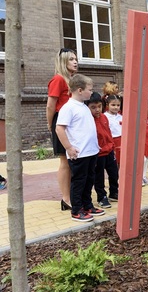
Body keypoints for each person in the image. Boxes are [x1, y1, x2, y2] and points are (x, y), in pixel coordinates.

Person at [55, 74, 104, 222]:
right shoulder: (68, 108)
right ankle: (76, 210)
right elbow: (59, 129)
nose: (92, 92)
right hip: (79, 153)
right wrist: (69, 148)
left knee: (89, 180)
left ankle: (87, 205)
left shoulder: (83, 106)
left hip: (91, 151)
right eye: (90, 89)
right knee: (79, 182)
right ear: (80, 90)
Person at [46, 48, 78, 211]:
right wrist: (50, 124)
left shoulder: (72, 81)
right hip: (62, 122)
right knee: (65, 161)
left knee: (73, 160)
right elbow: (51, 105)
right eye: (71, 59)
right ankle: (66, 199)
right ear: (63, 62)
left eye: (76, 58)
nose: (75, 61)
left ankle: (72, 195)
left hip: (73, 123)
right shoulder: (58, 80)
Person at [85, 92, 119, 208]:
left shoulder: (104, 117)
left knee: (114, 173)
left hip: (109, 150)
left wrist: (112, 146)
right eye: (93, 107)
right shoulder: (88, 119)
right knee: (98, 177)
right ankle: (101, 197)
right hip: (98, 153)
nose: (97, 110)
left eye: (99, 106)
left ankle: (114, 192)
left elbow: (108, 133)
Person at [104, 95, 123, 166]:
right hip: (110, 140)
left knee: (121, 161)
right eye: (113, 105)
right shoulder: (104, 116)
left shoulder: (121, 117)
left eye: (118, 105)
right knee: (111, 162)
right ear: (107, 105)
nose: (116, 107)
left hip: (121, 140)